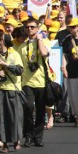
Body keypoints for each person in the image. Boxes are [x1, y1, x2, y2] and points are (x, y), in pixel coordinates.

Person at [18, 17, 51, 147]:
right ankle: (28, 135)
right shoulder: (22, 46)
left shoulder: (44, 42)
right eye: (27, 27)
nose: (30, 29)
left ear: (37, 28)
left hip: (41, 81)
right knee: (28, 107)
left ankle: (38, 137)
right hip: (27, 82)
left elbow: (44, 54)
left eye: (32, 27)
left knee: (40, 110)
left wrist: (39, 40)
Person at [0, 34, 24, 152]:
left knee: (14, 116)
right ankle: (4, 143)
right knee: (0, 117)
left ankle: (16, 140)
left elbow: (19, 70)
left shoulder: (15, 54)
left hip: (12, 89)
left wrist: (6, 65)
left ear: (2, 42)